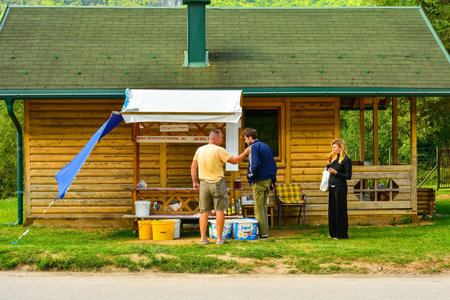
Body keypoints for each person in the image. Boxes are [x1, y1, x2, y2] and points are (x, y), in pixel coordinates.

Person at [191, 129, 251, 245]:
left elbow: (193, 167)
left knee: (204, 212)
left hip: (203, 184)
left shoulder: (200, 150)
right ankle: (219, 238)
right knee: (219, 211)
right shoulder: (219, 150)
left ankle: (203, 238)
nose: (222, 139)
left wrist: (195, 182)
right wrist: (245, 153)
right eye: (222, 138)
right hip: (217, 183)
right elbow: (235, 161)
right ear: (216, 138)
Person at [242, 128, 277, 240]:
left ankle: (262, 234)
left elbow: (255, 165)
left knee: (258, 207)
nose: (245, 142)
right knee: (263, 207)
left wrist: (250, 176)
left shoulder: (254, 147)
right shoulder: (266, 147)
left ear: (250, 137)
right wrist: (273, 181)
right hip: (268, 180)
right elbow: (273, 165)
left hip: (259, 180)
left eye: (245, 139)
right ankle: (264, 232)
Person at [327, 138, 352, 239]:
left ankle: (341, 234)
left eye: (334, 147)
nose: (333, 149)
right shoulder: (334, 159)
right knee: (332, 210)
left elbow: (348, 176)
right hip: (332, 187)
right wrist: (328, 163)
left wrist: (336, 173)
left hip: (340, 187)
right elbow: (328, 171)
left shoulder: (346, 160)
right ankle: (333, 233)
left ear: (340, 147)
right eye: (332, 147)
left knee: (340, 210)